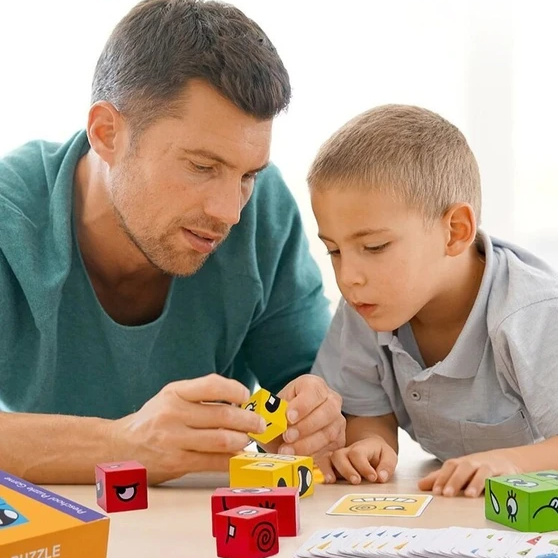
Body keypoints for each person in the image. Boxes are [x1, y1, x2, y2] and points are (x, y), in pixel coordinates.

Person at [0, 0, 345, 485]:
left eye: (247, 174)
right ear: (107, 134)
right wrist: (126, 444)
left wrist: (313, 417)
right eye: (201, 167)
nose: (230, 211)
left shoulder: (262, 211)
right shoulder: (7, 216)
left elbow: (312, 383)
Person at [308, 104, 558, 498]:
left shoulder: (532, 314)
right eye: (334, 251)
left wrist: (508, 463)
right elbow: (368, 412)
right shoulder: (366, 305)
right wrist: (371, 445)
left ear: (455, 232)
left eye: (374, 246)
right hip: (457, 517)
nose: (348, 277)